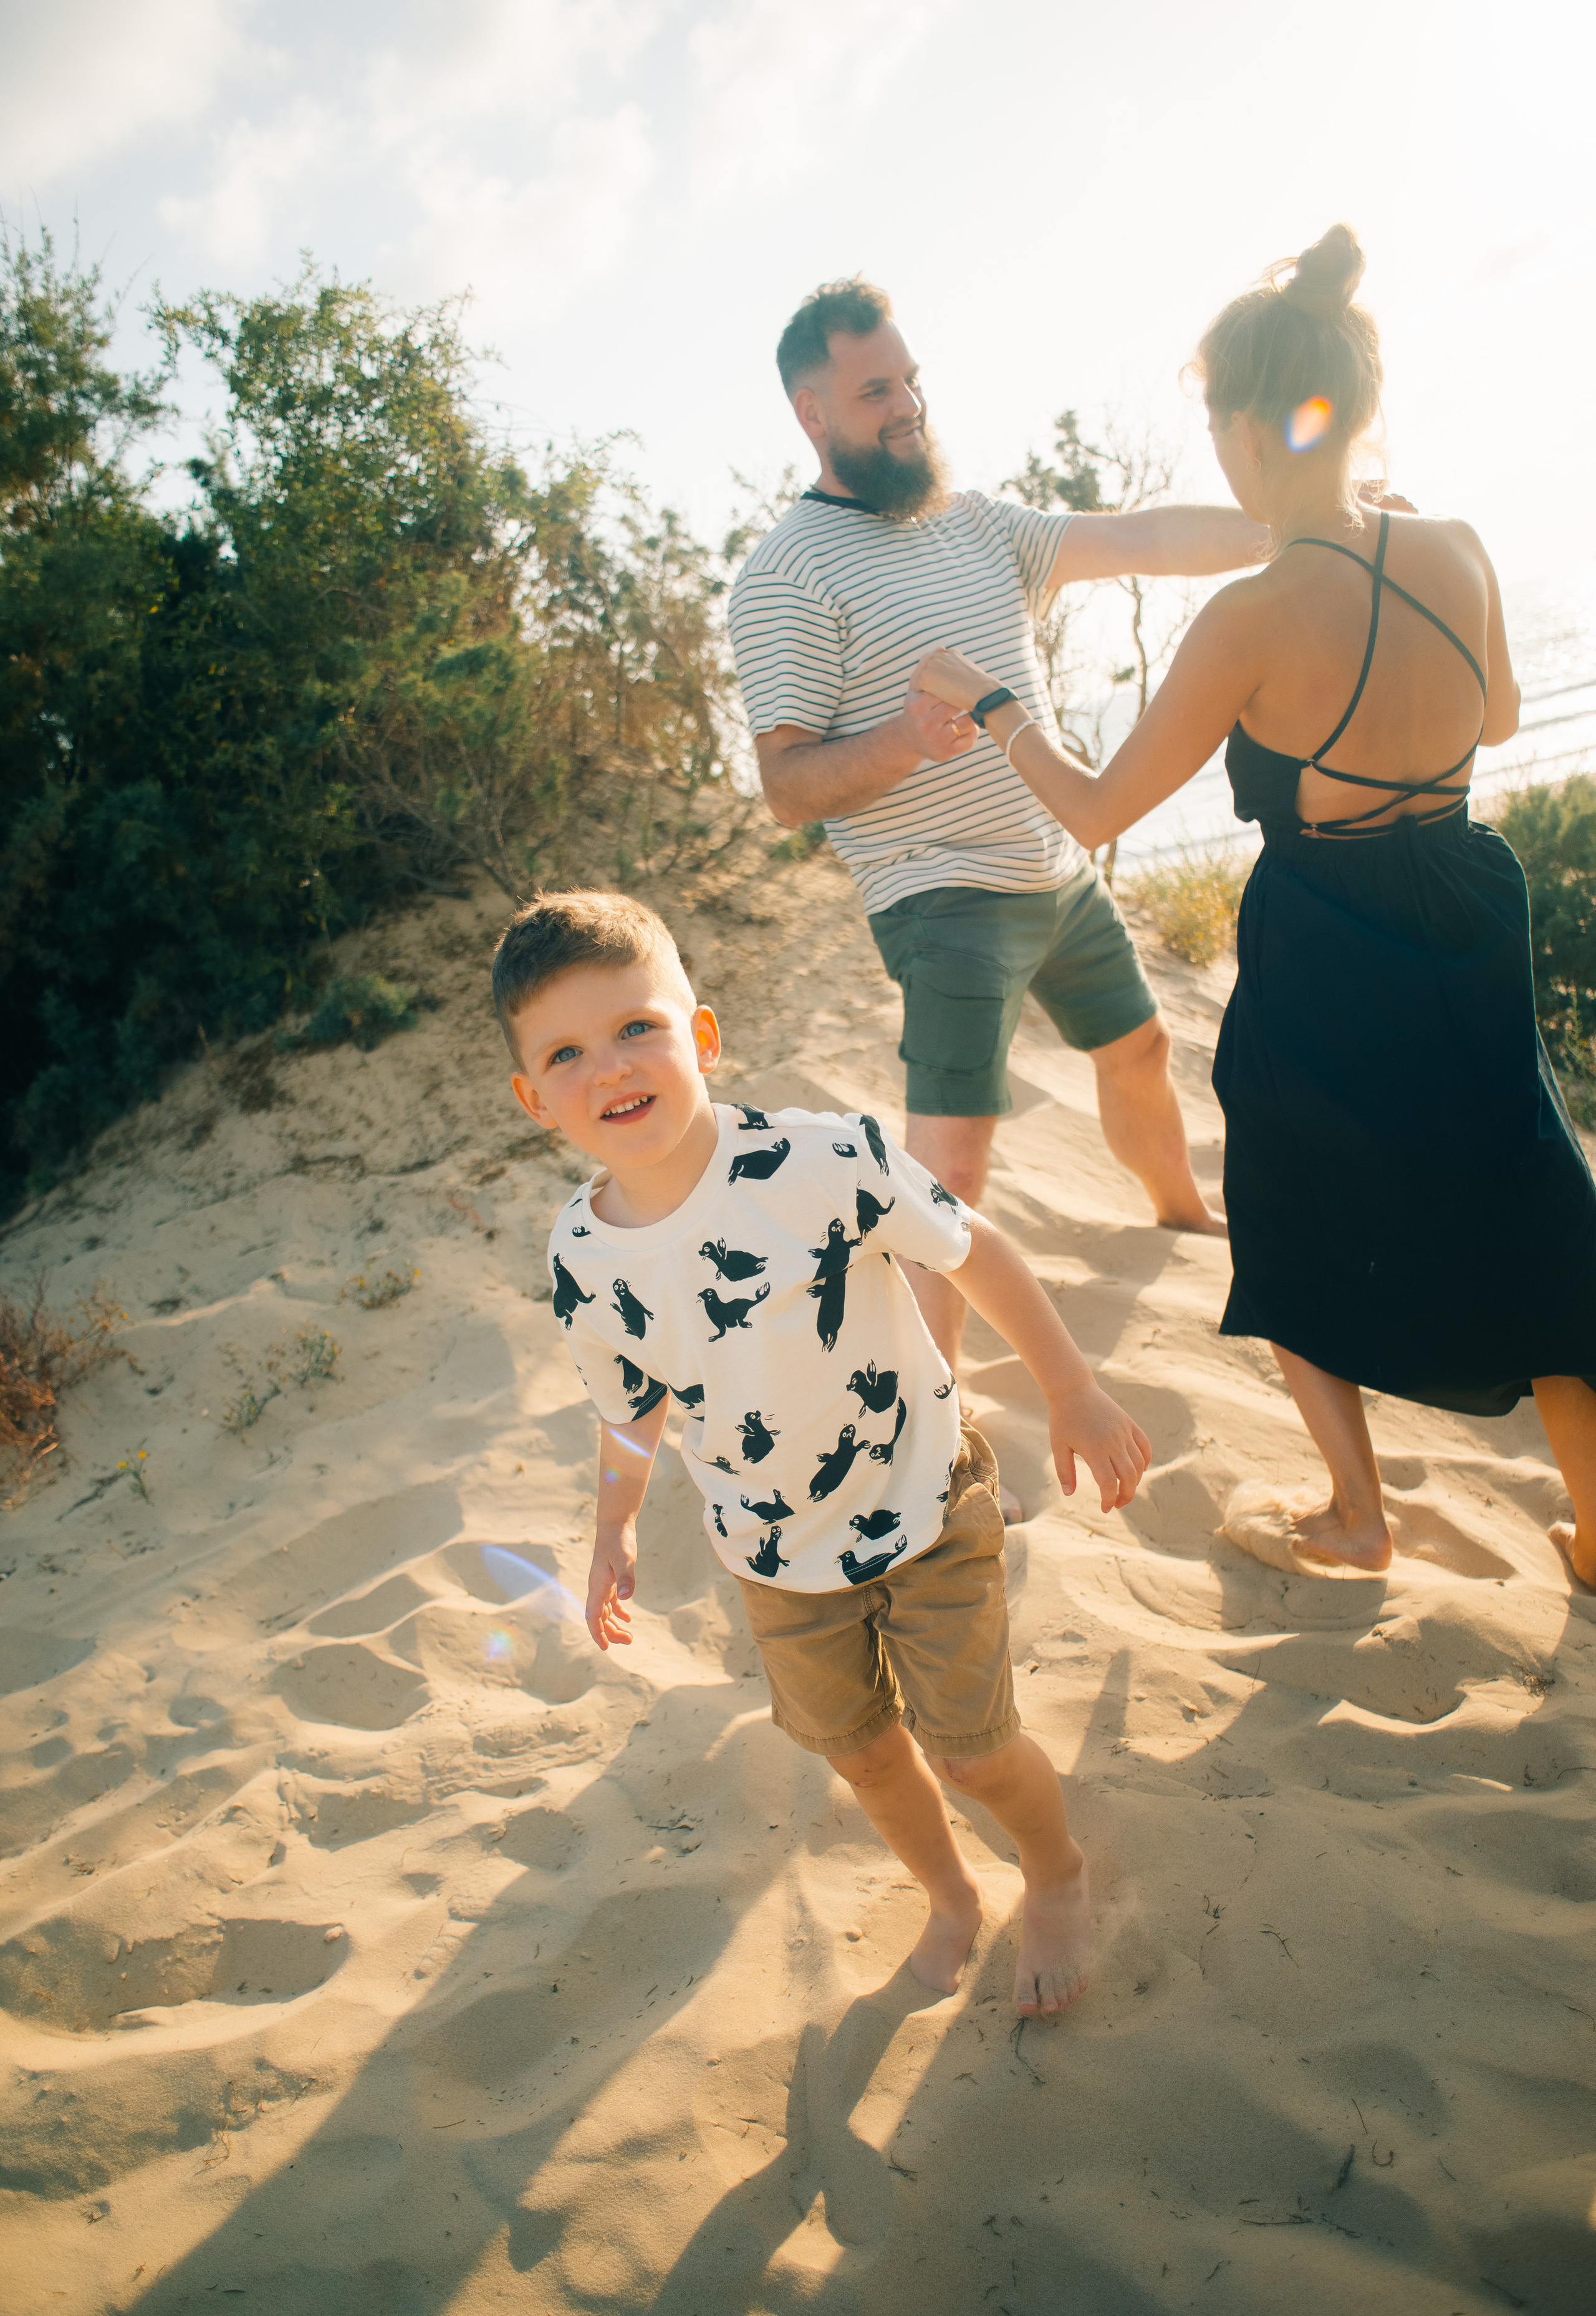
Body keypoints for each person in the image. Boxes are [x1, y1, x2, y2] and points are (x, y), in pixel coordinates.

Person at [909, 224, 1596, 1583]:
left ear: (1241, 423)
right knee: (1527, 1200)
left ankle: (1354, 1511)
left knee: (1286, 1204)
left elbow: (1099, 812)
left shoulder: (1253, 611)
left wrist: (993, 705)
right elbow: (1502, 714)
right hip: (1465, 900)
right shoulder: (1451, 543)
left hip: (1334, 937)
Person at [493, 889, 1151, 2011]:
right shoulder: (583, 1256)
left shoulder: (817, 1158)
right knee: (863, 1752)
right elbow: (627, 1405)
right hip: (772, 1553)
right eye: (567, 1051)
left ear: (700, 1035)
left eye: (636, 1027)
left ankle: (1056, 1870)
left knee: (973, 1749)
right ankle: (949, 1894)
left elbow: (968, 1246)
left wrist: (1073, 1386)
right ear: (532, 1097)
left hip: (922, 1496)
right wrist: (610, 1525)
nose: (610, 1066)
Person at [727, 275, 1270, 1394]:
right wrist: (905, 741)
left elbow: (1150, 537)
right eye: (877, 390)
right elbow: (784, 785)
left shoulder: (972, 521)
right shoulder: (786, 573)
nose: (908, 406)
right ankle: (936, 1420)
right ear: (812, 412)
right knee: (955, 1161)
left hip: (1056, 874)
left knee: (1141, 1050)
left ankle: (1179, 1215)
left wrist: (1298, 528)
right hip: (943, 900)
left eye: (912, 381)